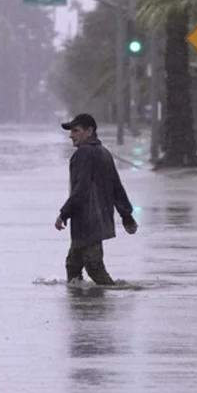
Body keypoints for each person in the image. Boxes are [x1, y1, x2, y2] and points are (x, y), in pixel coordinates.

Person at [55, 113, 138, 285]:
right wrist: (127, 216)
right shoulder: (104, 153)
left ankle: (104, 304)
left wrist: (63, 214)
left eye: (76, 130)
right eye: (71, 131)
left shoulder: (83, 154)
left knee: (94, 267)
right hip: (98, 219)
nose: (71, 135)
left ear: (89, 131)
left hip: (88, 221)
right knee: (73, 265)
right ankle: (82, 305)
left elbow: (81, 189)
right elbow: (117, 188)